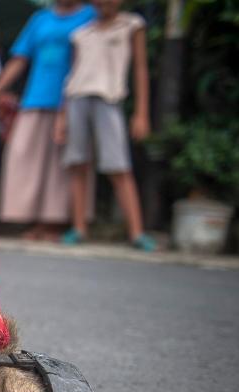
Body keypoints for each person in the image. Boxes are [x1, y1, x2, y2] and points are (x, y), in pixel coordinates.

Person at [0, 0, 96, 239]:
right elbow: (20, 58)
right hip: (35, 97)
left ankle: (55, 223)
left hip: (73, 99)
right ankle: (33, 219)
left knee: (60, 164)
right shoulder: (41, 19)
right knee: (24, 156)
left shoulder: (90, 15)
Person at [55, 0, 155, 251]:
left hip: (109, 99)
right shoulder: (81, 33)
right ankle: (78, 228)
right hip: (77, 98)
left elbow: (140, 69)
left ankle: (137, 232)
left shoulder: (131, 25)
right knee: (77, 163)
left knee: (118, 165)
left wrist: (141, 113)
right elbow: (71, 75)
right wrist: (62, 117)